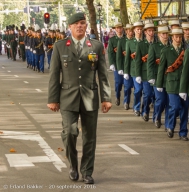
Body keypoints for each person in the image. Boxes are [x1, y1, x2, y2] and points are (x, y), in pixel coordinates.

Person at [47, 12, 112, 184]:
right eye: (76, 23)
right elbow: (54, 75)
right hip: (68, 98)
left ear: (86, 26)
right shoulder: (60, 46)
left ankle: (87, 171)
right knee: (69, 133)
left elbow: (103, 75)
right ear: (70, 27)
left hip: (90, 98)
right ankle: (73, 166)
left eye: (82, 23)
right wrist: (53, 99)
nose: (79, 26)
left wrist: (106, 97)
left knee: (90, 137)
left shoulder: (96, 46)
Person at [156, 27, 189, 141]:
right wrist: (159, 84)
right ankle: (170, 126)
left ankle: (183, 132)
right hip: (171, 84)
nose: (178, 39)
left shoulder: (187, 50)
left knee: (185, 109)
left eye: (180, 36)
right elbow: (161, 68)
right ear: (172, 37)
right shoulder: (166, 51)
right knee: (174, 107)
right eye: (176, 36)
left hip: (185, 84)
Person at [147, 25, 170, 128]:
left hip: (170, 78)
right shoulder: (154, 46)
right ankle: (157, 116)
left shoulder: (171, 46)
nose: (165, 36)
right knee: (160, 100)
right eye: (163, 34)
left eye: (166, 34)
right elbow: (150, 63)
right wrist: (151, 76)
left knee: (170, 103)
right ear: (159, 35)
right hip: (158, 78)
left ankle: (169, 124)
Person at [135, 21, 156, 122]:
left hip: (156, 73)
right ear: (145, 32)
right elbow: (138, 60)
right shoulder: (141, 45)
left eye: (152, 31)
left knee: (156, 96)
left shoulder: (157, 44)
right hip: (144, 73)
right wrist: (138, 74)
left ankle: (156, 116)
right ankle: (145, 111)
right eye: (149, 31)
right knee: (147, 94)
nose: (151, 33)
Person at [124, 21, 144, 116]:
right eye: (137, 29)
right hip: (134, 70)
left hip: (145, 70)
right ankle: (136, 107)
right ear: (134, 31)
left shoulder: (145, 42)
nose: (139, 31)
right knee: (138, 90)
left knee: (148, 92)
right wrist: (126, 72)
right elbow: (127, 58)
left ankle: (144, 109)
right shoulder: (129, 43)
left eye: (140, 29)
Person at [116, 24, 134, 110]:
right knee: (127, 87)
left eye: (132, 31)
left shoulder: (136, 41)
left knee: (137, 89)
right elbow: (119, 56)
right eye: (129, 31)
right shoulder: (122, 41)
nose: (131, 32)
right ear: (126, 31)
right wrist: (119, 68)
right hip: (125, 67)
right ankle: (126, 102)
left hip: (134, 68)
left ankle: (136, 105)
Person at [107, 21, 125, 106]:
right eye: (117, 28)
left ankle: (126, 101)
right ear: (115, 29)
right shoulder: (112, 40)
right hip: (117, 65)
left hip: (125, 64)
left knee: (127, 84)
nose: (119, 29)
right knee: (118, 82)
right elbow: (110, 52)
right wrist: (112, 63)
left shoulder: (126, 39)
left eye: (120, 28)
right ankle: (117, 96)